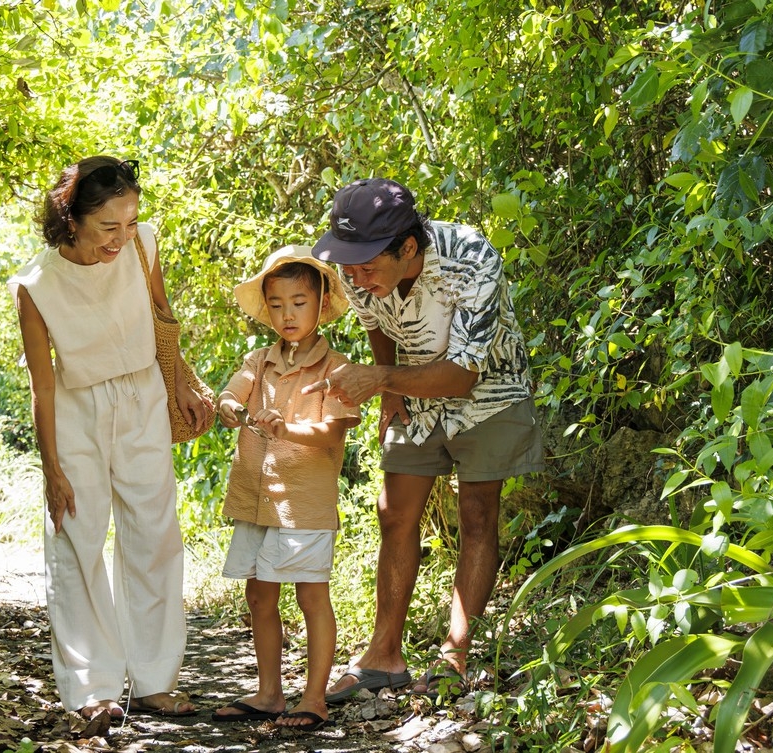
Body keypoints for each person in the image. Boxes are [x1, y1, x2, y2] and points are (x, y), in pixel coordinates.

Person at [307, 178, 544, 702]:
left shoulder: (471, 257)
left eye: (368, 268)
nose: (356, 278)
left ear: (408, 248)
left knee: (477, 514)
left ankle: (455, 656)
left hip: (490, 392)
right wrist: (389, 383)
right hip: (412, 387)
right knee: (393, 511)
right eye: (349, 268)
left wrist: (380, 380)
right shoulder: (359, 268)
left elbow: (463, 375)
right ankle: (383, 656)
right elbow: (376, 324)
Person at [8, 156, 212, 730]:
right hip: (75, 408)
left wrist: (181, 386)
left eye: (130, 222)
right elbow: (41, 385)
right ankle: (92, 686)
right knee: (76, 537)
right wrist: (52, 468)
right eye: (108, 228)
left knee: (154, 533)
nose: (122, 238)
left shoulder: (143, 245)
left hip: (143, 395)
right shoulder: (36, 285)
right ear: (71, 219)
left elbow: (161, 316)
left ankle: (153, 681)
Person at [209, 246, 361, 731]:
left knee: (312, 596)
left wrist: (286, 430)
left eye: (299, 302)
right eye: (276, 304)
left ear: (321, 303)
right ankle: (270, 692)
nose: (287, 314)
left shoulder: (336, 368)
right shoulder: (260, 360)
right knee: (259, 595)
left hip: (303, 505)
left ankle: (313, 697)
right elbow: (232, 392)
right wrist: (230, 406)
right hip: (257, 500)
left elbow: (334, 432)